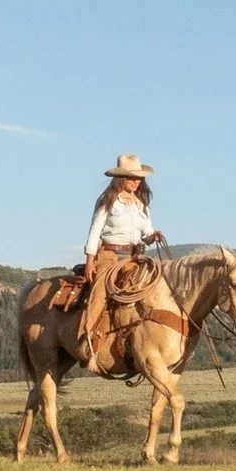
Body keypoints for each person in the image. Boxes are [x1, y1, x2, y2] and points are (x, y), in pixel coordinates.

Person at [78, 154, 164, 371]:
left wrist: (153, 236)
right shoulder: (108, 201)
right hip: (110, 255)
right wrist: (90, 260)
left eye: (138, 178)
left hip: (135, 257)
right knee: (100, 291)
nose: (136, 182)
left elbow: (145, 233)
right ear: (120, 179)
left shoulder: (141, 204)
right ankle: (87, 338)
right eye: (131, 178)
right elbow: (95, 230)